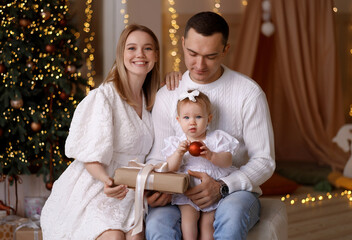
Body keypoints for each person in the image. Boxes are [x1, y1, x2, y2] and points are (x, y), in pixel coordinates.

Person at [145, 11, 275, 240]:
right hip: (180, 194)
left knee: (232, 215)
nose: (199, 65)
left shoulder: (248, 93)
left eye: (211, 56)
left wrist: (223, 186)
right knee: (156, 224)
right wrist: (158, 186)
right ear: (183, 44)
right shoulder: (168, 94)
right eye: (192, 53)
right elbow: (157, 157)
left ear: (226, 50)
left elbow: (264, 161)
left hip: (235, 193)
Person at [40, 24, 161, 240]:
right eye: (132, 48)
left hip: (132, 191)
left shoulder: (154, 101)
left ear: (156, 55)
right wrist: (107, 180)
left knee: (137, 237)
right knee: (114, 237)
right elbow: (90, 157)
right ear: (121, 54)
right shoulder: (104, 97)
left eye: (148, 48)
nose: (140, 55)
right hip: (98, 186)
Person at [163, 89, 239, 239]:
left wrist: (212, 155)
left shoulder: (216, 138)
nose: (192, 122)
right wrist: (179, 153)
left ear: (209, 119)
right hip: (187, 191)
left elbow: (227, 160)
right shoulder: (177, 143)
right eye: (186, 117)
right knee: (188, 222)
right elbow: (169, 168)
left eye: (198, 117)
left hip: (212, 192)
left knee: (208, 224)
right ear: (178, 120)